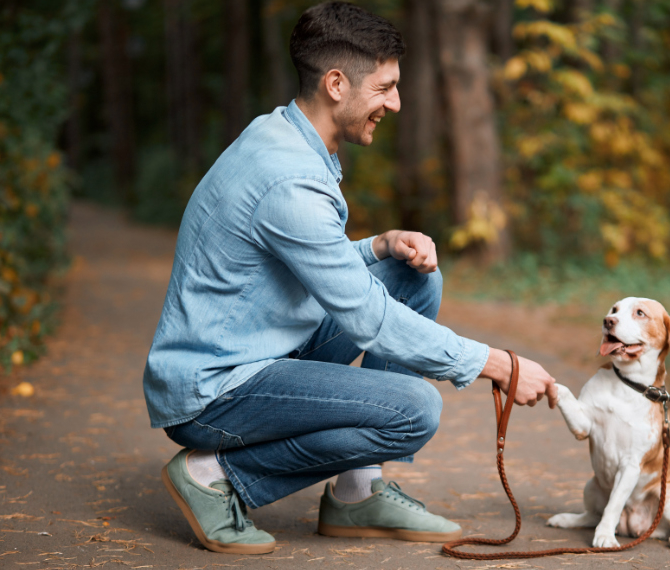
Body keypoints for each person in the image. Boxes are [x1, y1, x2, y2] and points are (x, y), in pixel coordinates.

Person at [143, 1, 558, 555]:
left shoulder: (282, 135)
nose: (396, 103)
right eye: (385, 87)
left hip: (260, 350)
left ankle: (357, 492)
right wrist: (496, 364)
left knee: (412, 280)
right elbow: (367, 318)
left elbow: (304, 264)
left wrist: (378, 246)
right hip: (216, 390)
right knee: (414, 409)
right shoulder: (288, 179)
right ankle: (214, 473)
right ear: (336, 84)